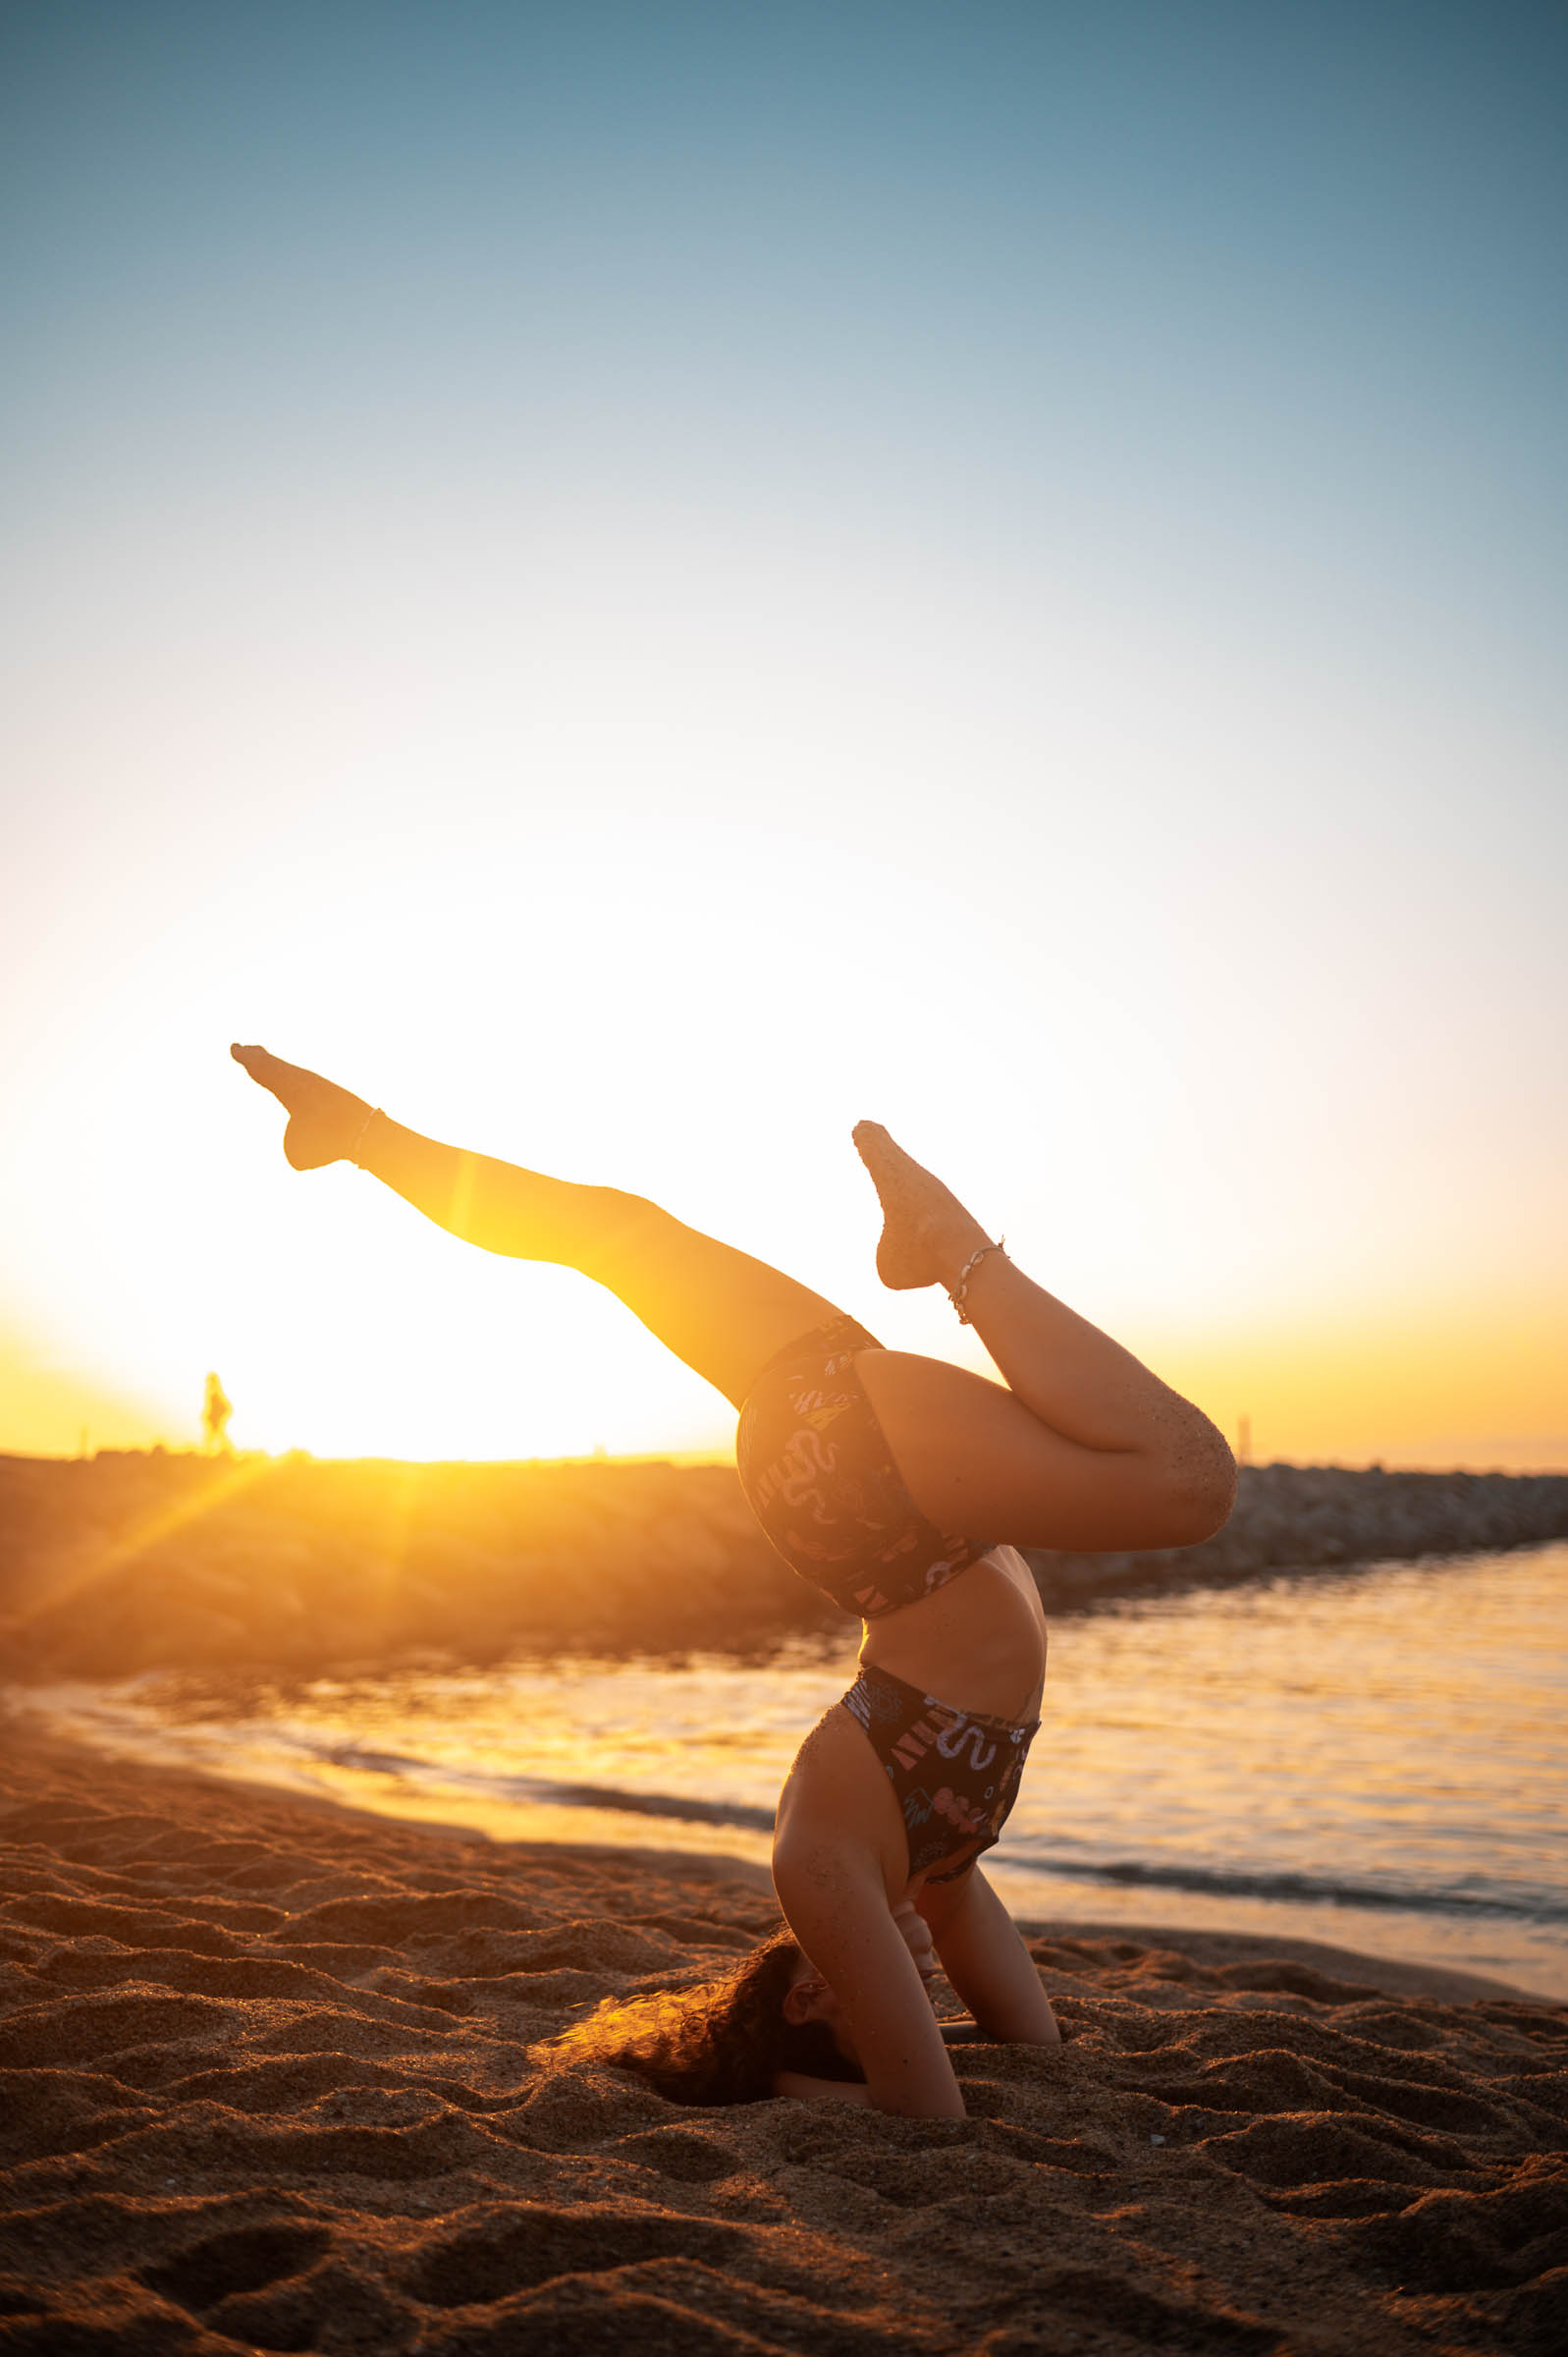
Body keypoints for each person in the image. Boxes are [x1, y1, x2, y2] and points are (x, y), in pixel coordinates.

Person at [231, 1041, 1236, 2116]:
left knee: (1184, 1484)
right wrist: (892, 2037)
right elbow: (1030, 2051)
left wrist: (792, 2090)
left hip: (867, 1502)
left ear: (812, 2002)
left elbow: (925, 2115)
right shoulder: (936, 1864)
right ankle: (363, 1139)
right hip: (885, 1509)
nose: (906, 1974)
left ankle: (955, 1254)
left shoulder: (822, 1866)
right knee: (618, 1235)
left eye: (866, 1980)